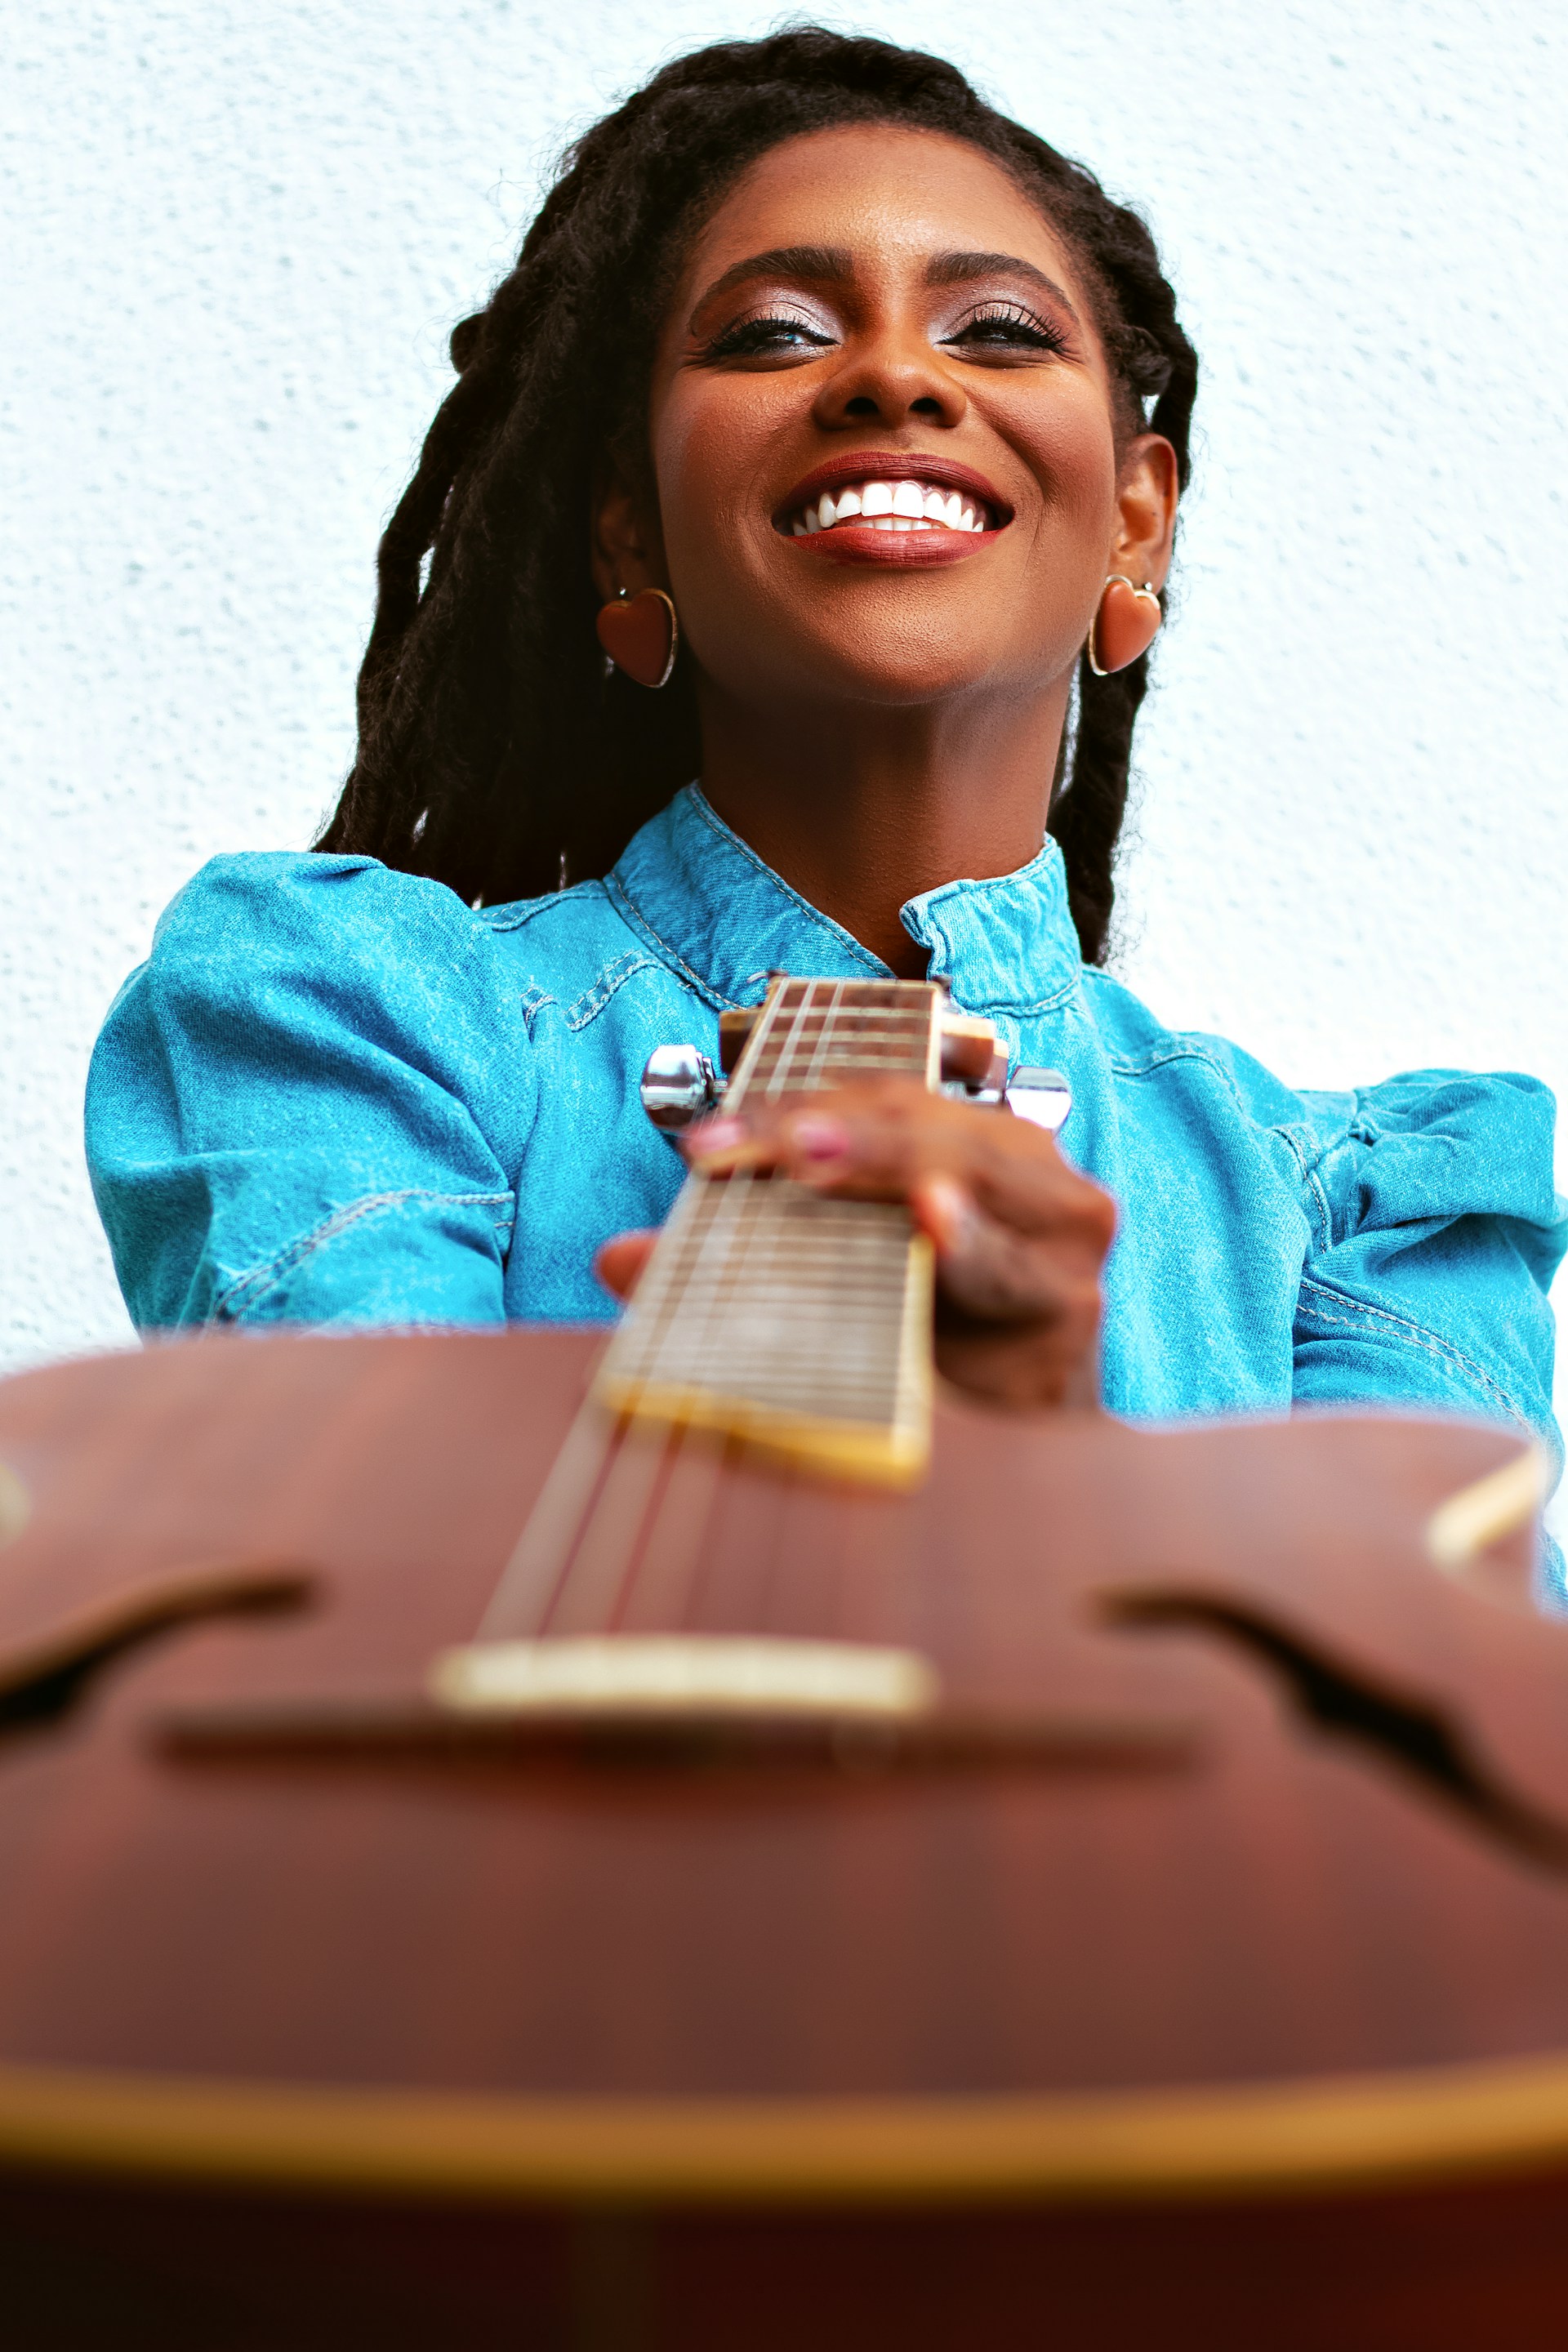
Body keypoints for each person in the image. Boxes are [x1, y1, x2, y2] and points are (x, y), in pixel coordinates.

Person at [85, 31, 1565, 1569]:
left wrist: (1063, 1490)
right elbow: (365, 1627)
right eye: (776, 332)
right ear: (626, 537)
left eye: (996, 329)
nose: (895, 375)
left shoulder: (1373, 1222)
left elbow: (1404, 1787)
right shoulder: (348, 1027)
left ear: (1139, 520)